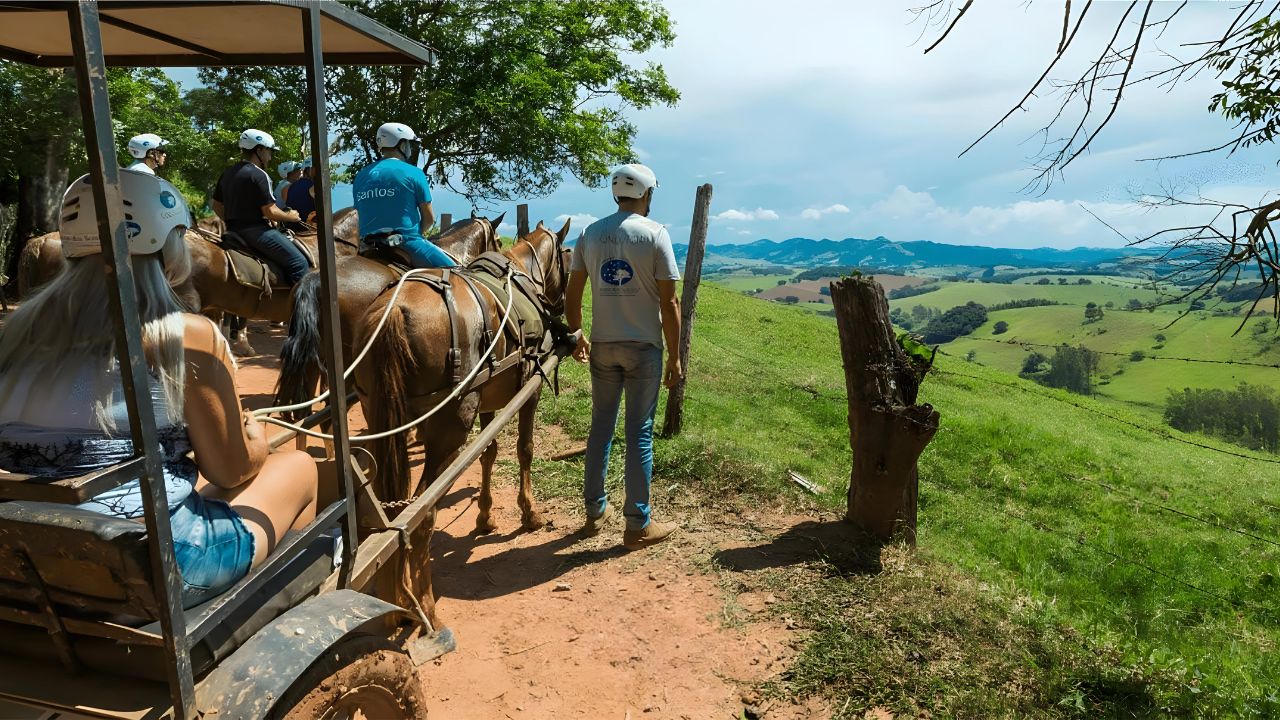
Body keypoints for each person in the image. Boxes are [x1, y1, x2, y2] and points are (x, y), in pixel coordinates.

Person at [0, 169, 319, 608]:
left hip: (20, 554)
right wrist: (257, 441)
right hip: (139, 567)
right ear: (169, 247)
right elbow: (230, 471)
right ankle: (278, 614)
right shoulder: (184, 334)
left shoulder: (15, 331)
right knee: (300, 466)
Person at [565, 163, 683, 549]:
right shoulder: (656, 235)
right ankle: (637, 525)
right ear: (647, 193)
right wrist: (675, 357)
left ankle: (595, 510)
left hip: (603, 345)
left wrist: (578, 333)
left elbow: (573, 292)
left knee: (601, 427)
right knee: (639, 434)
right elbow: (670, 301)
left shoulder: (591, 233)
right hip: (643, 348)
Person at [211, 129, 309, 285]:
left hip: (233, 231)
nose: (270, 156)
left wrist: (233, 220)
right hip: (257, 232)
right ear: (259, 150)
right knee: (299, 263)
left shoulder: (228, 173)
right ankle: (300, 309)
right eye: (269, 151)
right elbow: (269, 211)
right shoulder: (259, 175)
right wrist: (291, 216)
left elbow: (216, 205)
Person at [352, 122, 455, 268]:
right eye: (408, 144)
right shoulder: (414, 173)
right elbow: (429, 219)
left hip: (366, 247)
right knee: (456, 272)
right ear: (401, 144)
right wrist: (415, 234)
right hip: (406, 243)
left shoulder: (360, 177)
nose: (410, 148)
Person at [285, 157, 316, 224]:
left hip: (291, 225)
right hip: (307, 227)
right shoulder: (313, 186)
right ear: (310, 170)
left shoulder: (292, 186)